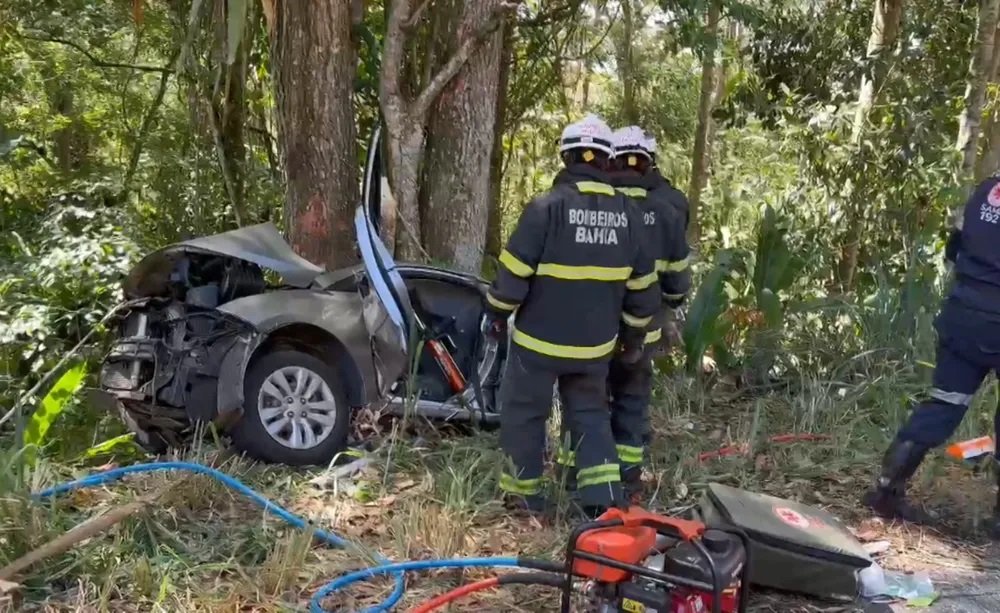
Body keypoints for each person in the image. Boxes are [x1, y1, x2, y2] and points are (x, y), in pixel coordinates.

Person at [485, 113, 659, 518]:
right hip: (593, 348)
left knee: (525, 414)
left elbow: (514, 274)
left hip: (536, 345)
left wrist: (496, 313)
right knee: (591, 415)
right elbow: (642, 291)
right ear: (606, 161)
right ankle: (601, 499)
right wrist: (632, 339)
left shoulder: (545, 208)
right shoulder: (629, 217)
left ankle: (523, 497)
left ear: (566, 157)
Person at [554, 126, 691, 503]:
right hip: (644, 329)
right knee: (632, 398)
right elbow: (678, 282)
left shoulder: (596, 201)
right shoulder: (670, 205)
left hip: (592, 329)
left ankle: (573, 473)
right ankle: (628, 476)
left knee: (585, 400)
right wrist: (669, 305)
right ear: (649, 162)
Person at [862, 175, 1000, 530]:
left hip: (963, 313)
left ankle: (885, 491)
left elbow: (955, 247)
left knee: (945, 403)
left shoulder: (987, 190)